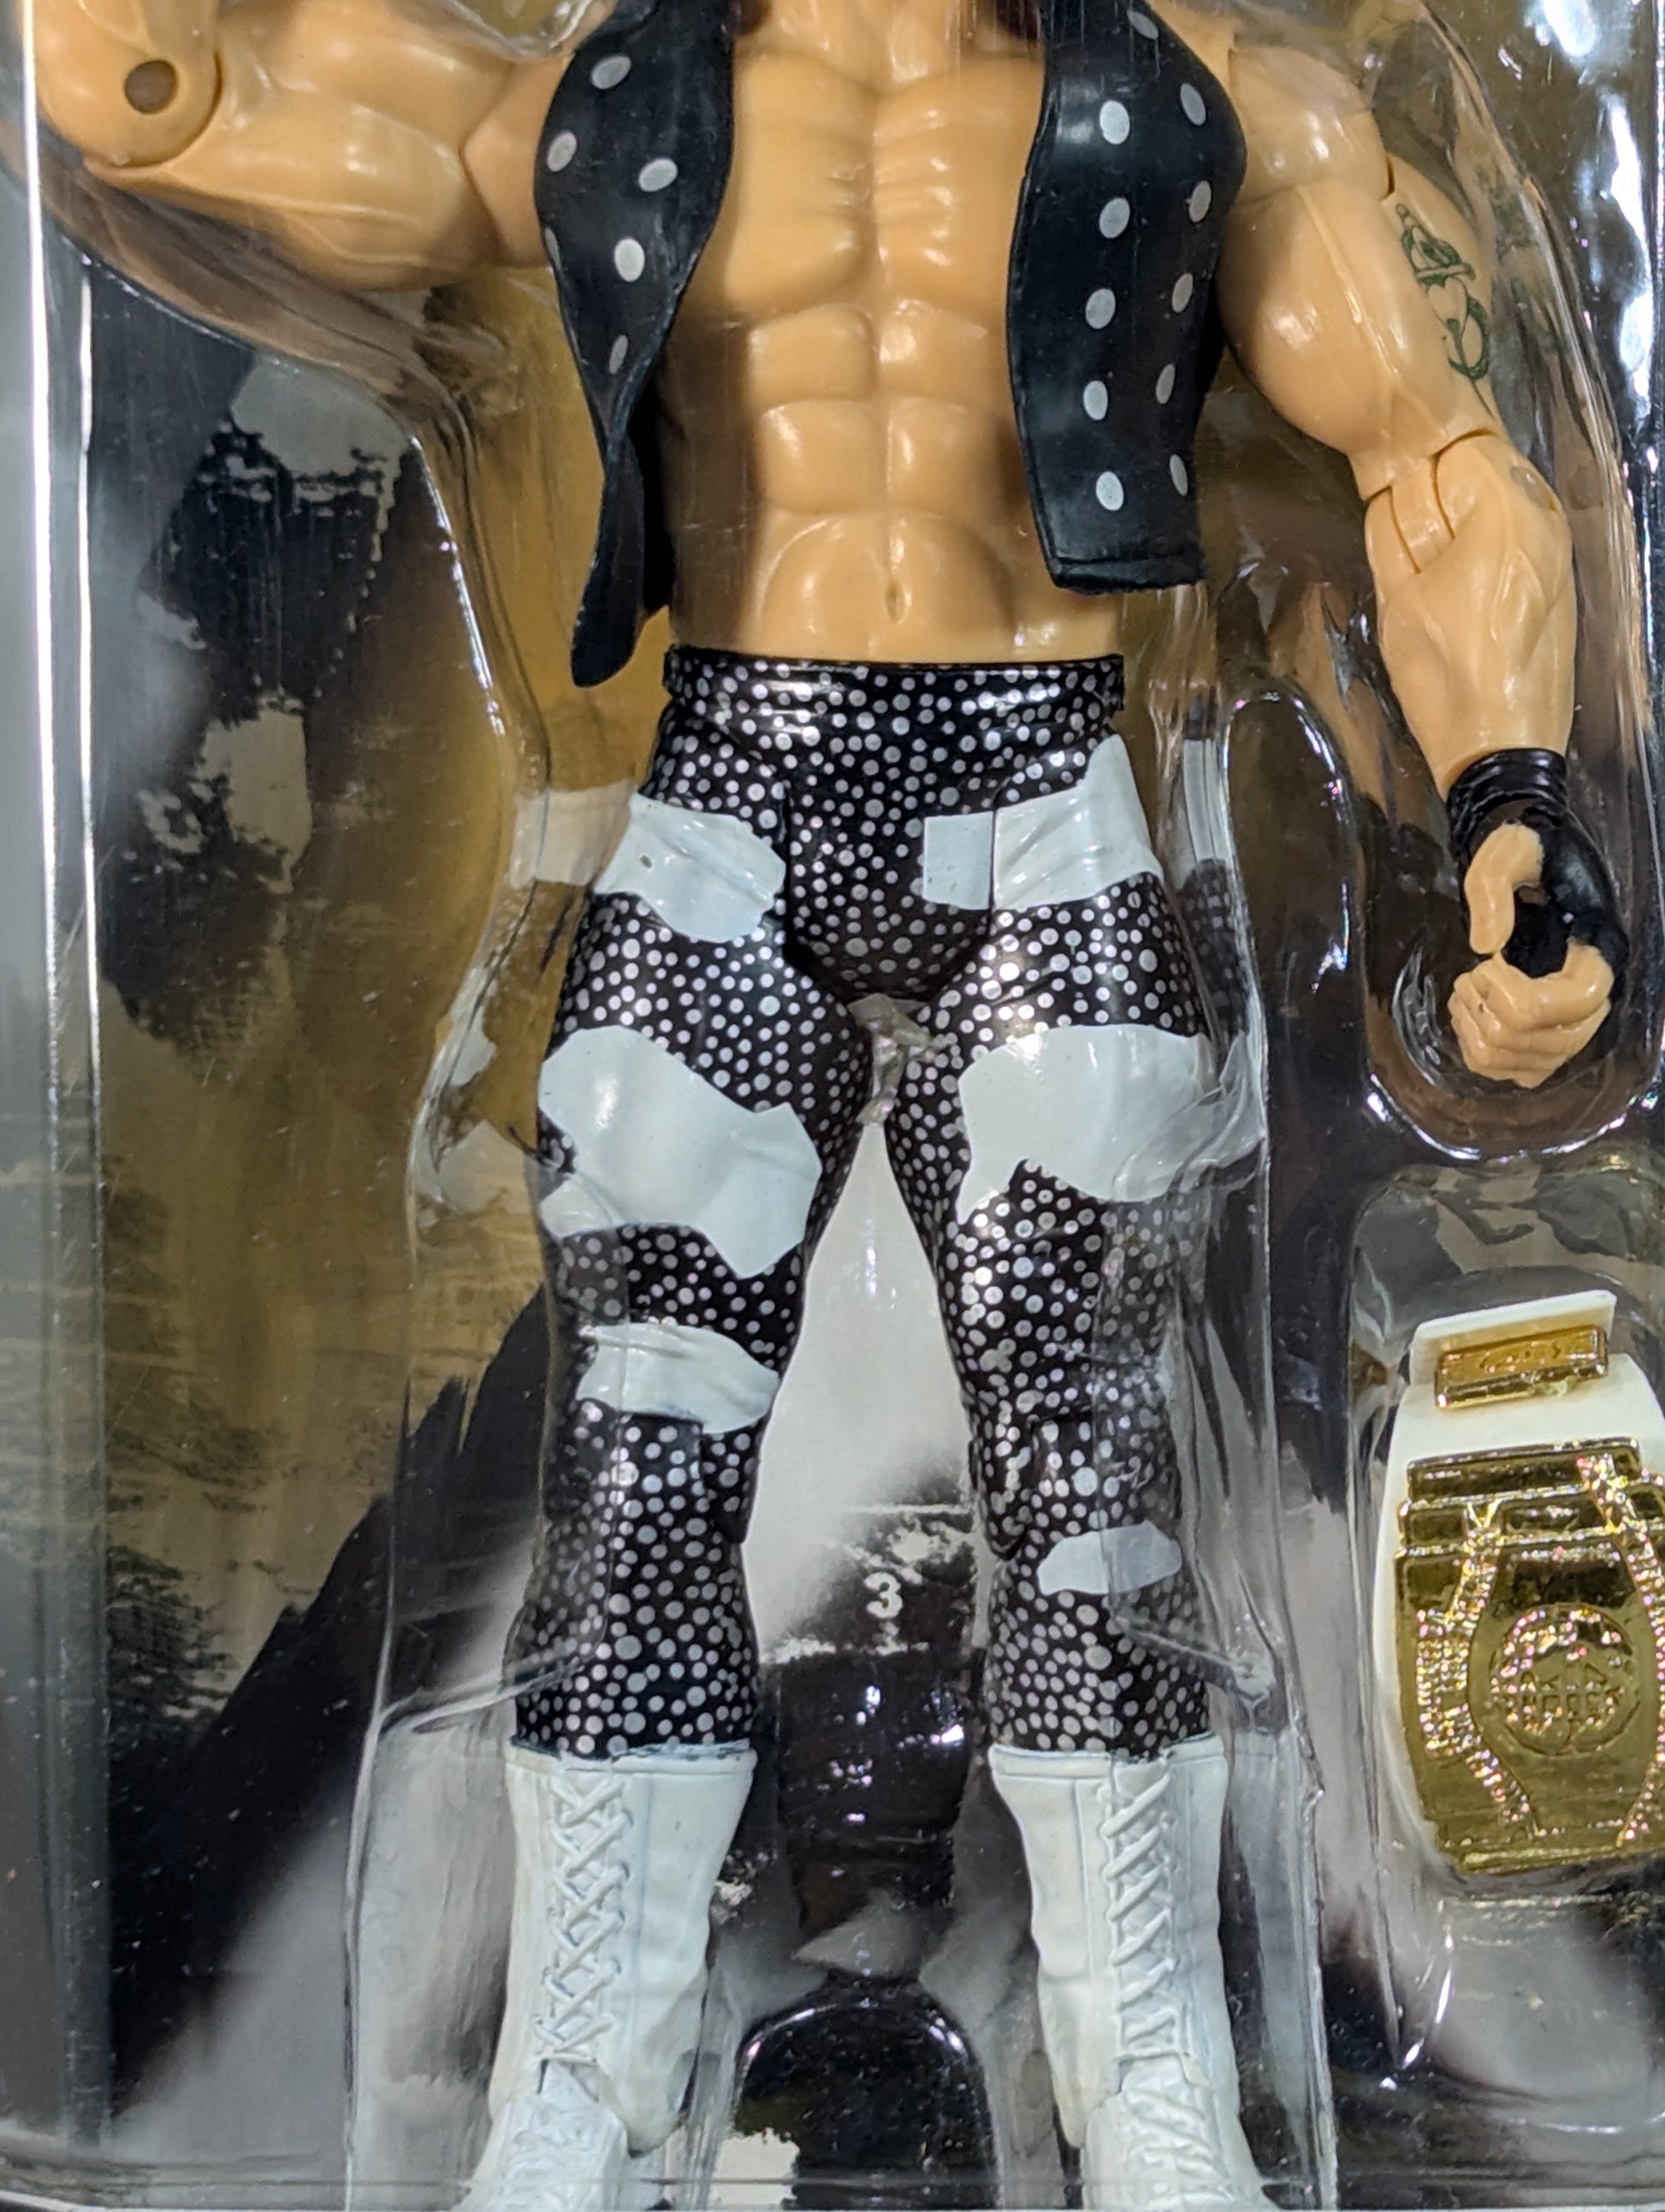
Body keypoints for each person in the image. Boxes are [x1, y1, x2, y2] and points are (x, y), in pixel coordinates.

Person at [34, 0, 1627, 2202]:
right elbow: (184, 103)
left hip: (1045, 785)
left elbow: (1434, 458)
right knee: (639, 1458)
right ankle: (578, 2088)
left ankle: (1153, 2083)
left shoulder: (1201, 104)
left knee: (1086, 1466)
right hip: (737, 791)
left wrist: (1515, 806)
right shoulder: (616, 95)